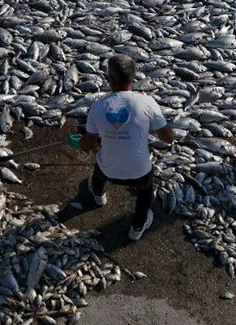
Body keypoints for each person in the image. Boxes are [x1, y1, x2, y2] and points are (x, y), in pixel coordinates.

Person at [69, 54, 174, 240]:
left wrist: (79, 141)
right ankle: (137, 228)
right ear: (133, 76)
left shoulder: (99, 106)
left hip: (108, 170)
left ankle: (98, 196)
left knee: (98, 172)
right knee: (145, 194)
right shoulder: (147, 102)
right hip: (140, 173)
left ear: (112, 79)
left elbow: (87, 143)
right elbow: (168, 139)